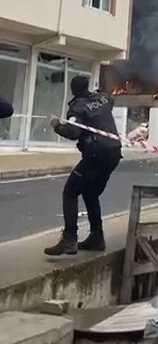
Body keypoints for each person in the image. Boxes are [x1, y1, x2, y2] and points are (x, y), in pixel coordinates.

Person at [44, 76, 122, 257]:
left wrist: (57, 125)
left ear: (73, 90)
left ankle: (69, 239)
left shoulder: (77, 107)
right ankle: (97, 237)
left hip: (96, 155)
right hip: (114, 153)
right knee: (90, 193)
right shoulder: (102, 98)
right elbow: (110, 101)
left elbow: (73, 132)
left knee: (70, 192)